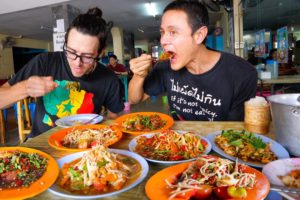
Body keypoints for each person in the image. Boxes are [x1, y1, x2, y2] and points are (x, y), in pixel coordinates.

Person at [0, 7, 124, 137]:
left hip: (84, 149)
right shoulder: (45, 62)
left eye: (87, 56)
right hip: (41, 147)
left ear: (101, 52)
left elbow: (113, 118)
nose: (77, 63)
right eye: (71, 51)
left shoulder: (109, 79)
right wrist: (25, 88)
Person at [128, 0, 257, 121]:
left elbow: (236, 134)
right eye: (162, 32)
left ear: (199, 35)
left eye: (172, 32)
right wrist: (139, 75)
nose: (163, 41)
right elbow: (135, 100)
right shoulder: (164, 66)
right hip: (178, 141)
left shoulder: (242, 73)